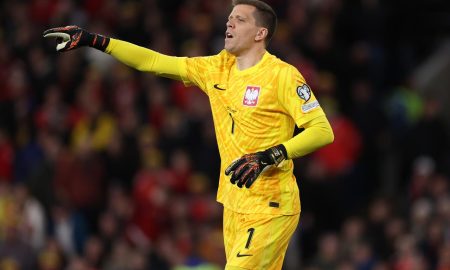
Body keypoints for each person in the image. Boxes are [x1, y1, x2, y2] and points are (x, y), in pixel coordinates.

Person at [43, 0, 334, 269]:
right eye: (229, 18)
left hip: (271, 204)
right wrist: (96, 40)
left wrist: (271, 155)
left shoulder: (282, 75)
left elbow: (322, 131)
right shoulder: (216, 68)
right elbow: (154, 62)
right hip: (233, 203)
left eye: (240, 20)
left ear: (260, 33)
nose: (229, 24)